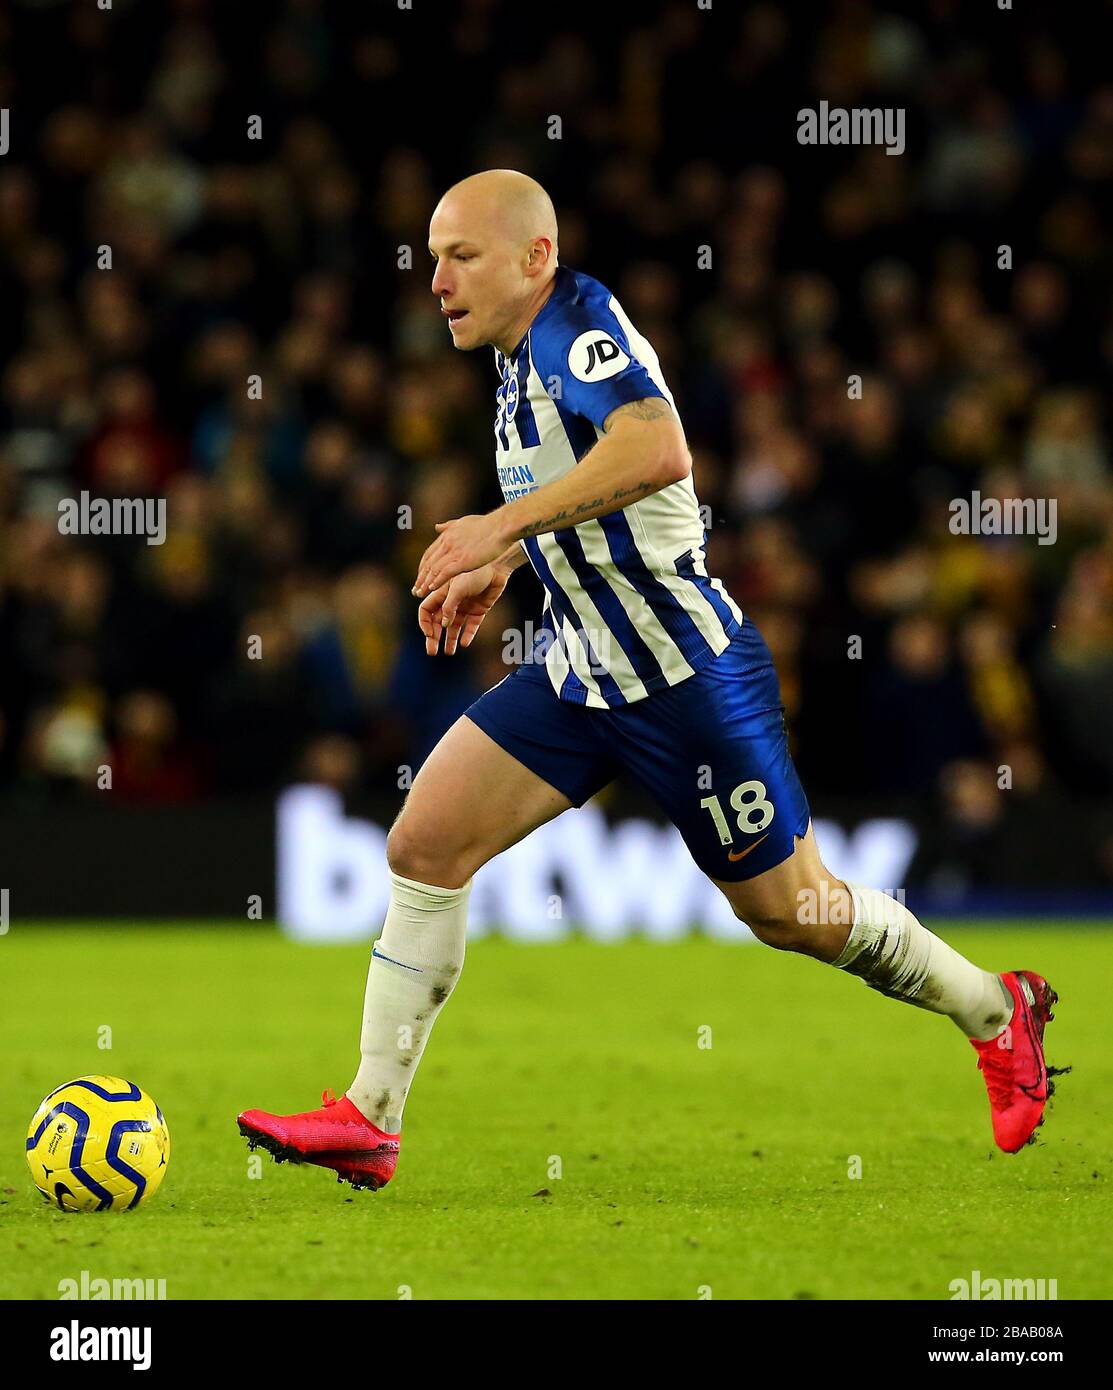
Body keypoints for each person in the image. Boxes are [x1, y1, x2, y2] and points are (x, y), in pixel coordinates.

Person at [238, 170, 1061, 1189]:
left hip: (683, 678)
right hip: (583, 666)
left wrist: (498, 525)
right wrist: (508, 558)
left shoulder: (573, 325)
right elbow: (587, 498)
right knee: (424, 842)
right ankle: (371, 1116)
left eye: (462, 255)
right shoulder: (513, 362)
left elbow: (657, 447)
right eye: (432, 256)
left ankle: (996, 1010)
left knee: (793, 913)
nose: (436, 279)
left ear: (535, 257)